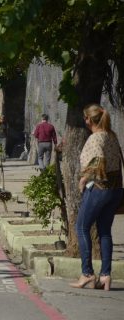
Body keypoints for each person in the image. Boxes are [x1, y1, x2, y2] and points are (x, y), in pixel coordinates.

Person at [69, 104, 123, 291]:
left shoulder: (95, 138)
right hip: (115, 190)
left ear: (89, 120)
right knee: (105, 231)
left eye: (85, 118)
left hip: (99, 189)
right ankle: (106, 276)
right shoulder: (111, 136)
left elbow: (98, 159)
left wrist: (84, 179)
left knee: (82, 227)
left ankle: (87, 273)